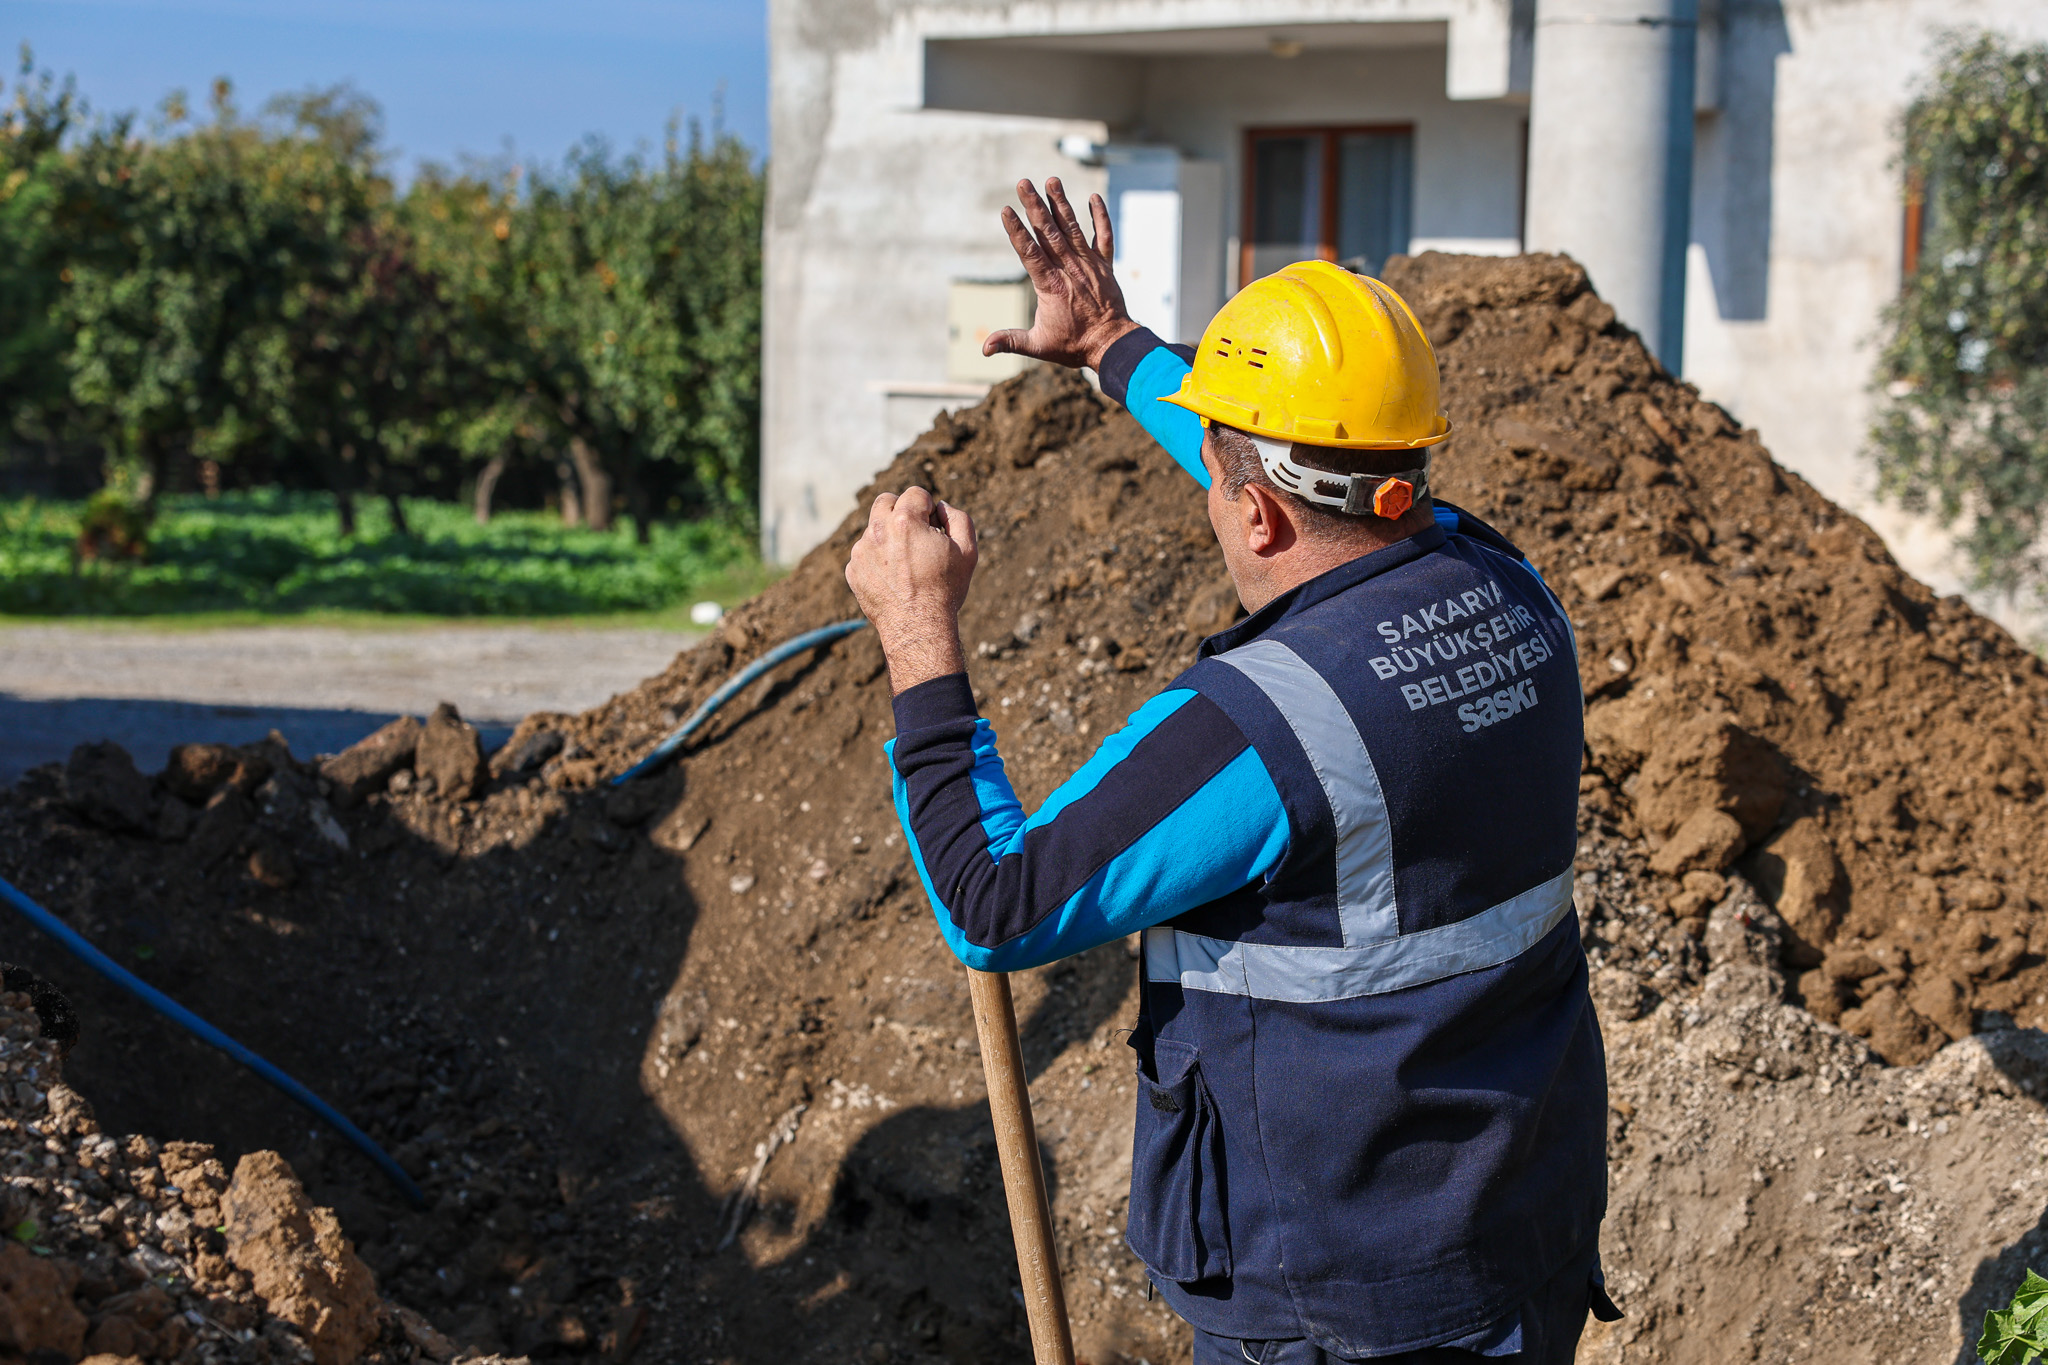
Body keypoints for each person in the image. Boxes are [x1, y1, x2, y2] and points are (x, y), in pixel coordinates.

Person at [843, 177, 1616, 1365]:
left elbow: (994, 904)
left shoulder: (1268, 724)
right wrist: (1111, 347)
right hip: (1519, 1235)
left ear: (1254, 517)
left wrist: (917, 637)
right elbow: (1296, 473)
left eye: (1218, 479)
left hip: (1340, 1300)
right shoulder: (1505, 586)